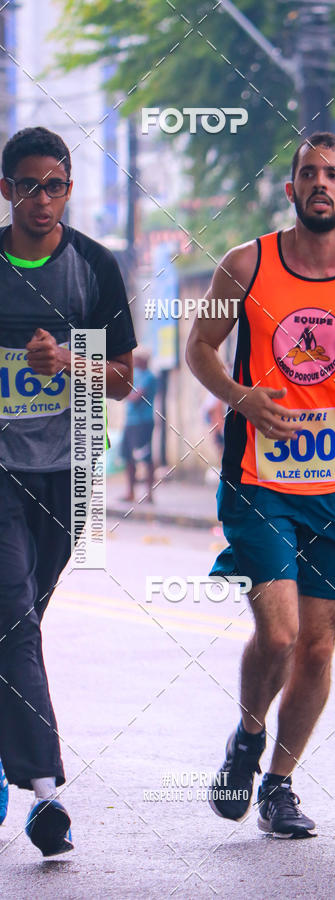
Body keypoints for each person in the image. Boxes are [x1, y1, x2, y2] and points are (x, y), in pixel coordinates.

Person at [186, 132, 335, 838]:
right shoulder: (247, 264)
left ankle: (279, 784)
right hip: (258, 477)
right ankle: (248, 735)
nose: (321, 183)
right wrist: (242, 397)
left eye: (334, 174)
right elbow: (198, 348)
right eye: (308, 173)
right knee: (279, 635)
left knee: (318, 647)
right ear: (291, 189)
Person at [0, 126, 136, 855]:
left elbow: (123, 379)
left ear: (70, 189)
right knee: (12, 620)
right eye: (27, 185)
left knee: (17, 624)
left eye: (54, 185)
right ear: (5, 190)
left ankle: (7, 757)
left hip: (66, 471)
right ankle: (47, 794)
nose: (41, 199)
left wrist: (70, 362)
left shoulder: (93, 267)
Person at [121, 346, 157, 503]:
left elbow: (136, 397)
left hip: (143, 422)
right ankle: (131, 492)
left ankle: (149, 494)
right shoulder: (135, 376)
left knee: (145, 457)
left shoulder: (150, 377)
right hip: (130, 421)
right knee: (128, 457)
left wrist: (122, 391)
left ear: (143, 360)